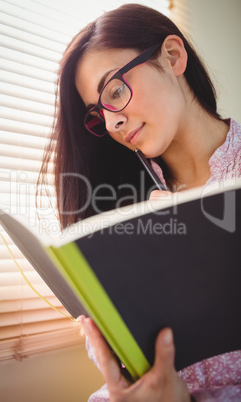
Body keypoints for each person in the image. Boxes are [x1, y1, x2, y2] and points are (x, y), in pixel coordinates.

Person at [39, 3, 241, 401]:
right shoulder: (121, 200)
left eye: (114, 90)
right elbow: (115, 352)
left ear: (172, 56)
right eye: (98, 113)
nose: (111, 122)